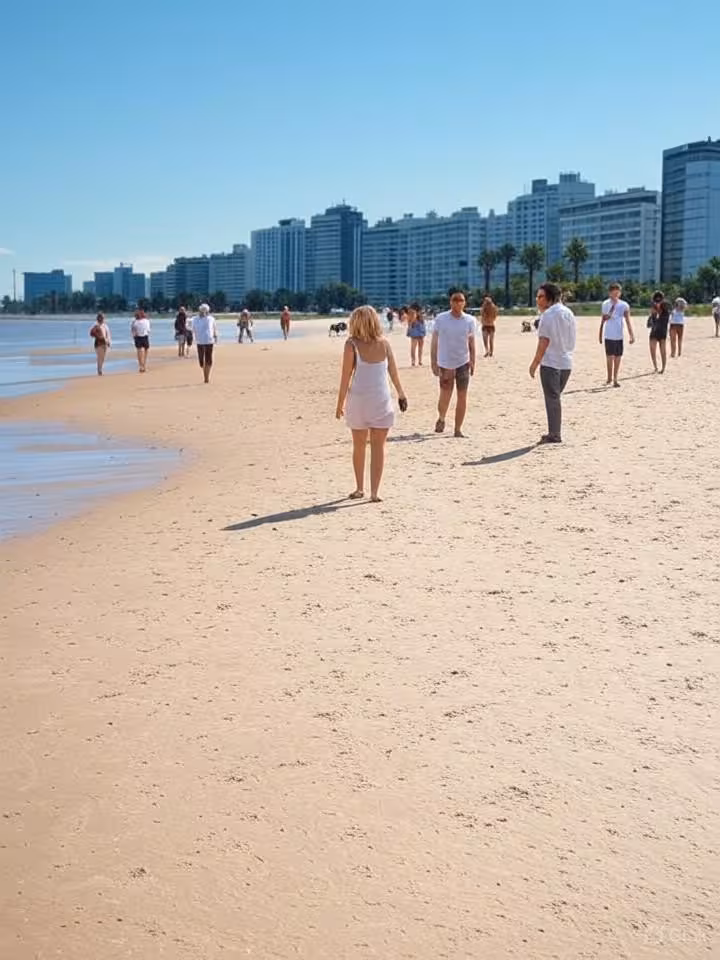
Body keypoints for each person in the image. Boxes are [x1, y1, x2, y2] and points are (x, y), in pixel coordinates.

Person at [335, 305, 407, 503]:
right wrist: (401, 394)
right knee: (379, 447)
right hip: (381, 401)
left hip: (358, 401)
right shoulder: (384, 344)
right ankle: (375, 492)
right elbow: (393, 373)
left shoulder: (351, 344)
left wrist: (340, 403)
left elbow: (345, 376)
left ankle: (360, 488)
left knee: (359, 446)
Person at [529, 282, 576, 444]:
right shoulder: (569, 313)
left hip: (551, 363)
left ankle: (555, 433)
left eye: (541, 296)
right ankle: (554, 432)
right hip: (566, 363)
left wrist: (535, 363)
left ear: (550, 298)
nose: (537, 300)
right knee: (555, 398)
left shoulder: (547, 315)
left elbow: (544, 341)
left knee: (552, 399)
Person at [430, 291, 476, 437]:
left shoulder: (470, 320)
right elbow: (434, 341)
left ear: (465, 303)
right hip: (445, 362)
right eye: (455, 300)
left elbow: (471, 341)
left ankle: (458, 429)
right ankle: (442, 418)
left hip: (463, 362)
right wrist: (433, 361)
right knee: (445, 394)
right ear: (450, 302)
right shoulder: (441, 319)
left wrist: (473, 360)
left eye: (461, 300)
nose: (458, 303)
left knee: (462, 396)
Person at [599, 282, 635, 387]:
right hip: (609, 334)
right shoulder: (605, 304)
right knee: (609, 357)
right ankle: (609, 377)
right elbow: (603, 318)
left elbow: (628, 320)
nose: (616, 295)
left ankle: (615, 378)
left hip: (619, 335)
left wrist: (631, 335)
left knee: (618, 357)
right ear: (609, 293)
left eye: (617, 293)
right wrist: (609, 313)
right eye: (613, 293)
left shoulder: (624, 305)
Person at [192, 303, 217, 384]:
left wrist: (215, 336)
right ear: (199, 310)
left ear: (207, 311)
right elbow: (192, 328)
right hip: (200, 342)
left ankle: (206, 378)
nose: (203, 312)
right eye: (202, 310)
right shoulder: (195, 319)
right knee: (201, 361)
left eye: (205, 311)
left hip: (209, 341)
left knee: (208, 360)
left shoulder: (211, 319)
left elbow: (214, 328)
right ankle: (205, 374)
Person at [648, 291, 670, 374]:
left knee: (663, 351)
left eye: (659, 300)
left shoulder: (666, 309)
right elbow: (651, 322)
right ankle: (655, 367)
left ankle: (663, 367)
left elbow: (664, 317)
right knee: (652, 349)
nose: (657, 302)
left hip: (662, 332)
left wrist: (659, 307)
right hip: (654, 331)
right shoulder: (653, 308)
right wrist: (654, 311)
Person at [406, 302, 427, 367]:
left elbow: (410, 322)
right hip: (418, 331)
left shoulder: (419, 314)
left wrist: (409, 330)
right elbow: (410, 322)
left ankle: (416, 361)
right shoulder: (413, 313)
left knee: (415, 347)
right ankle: (417, 361)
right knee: (417, 347)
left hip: (418, 331)